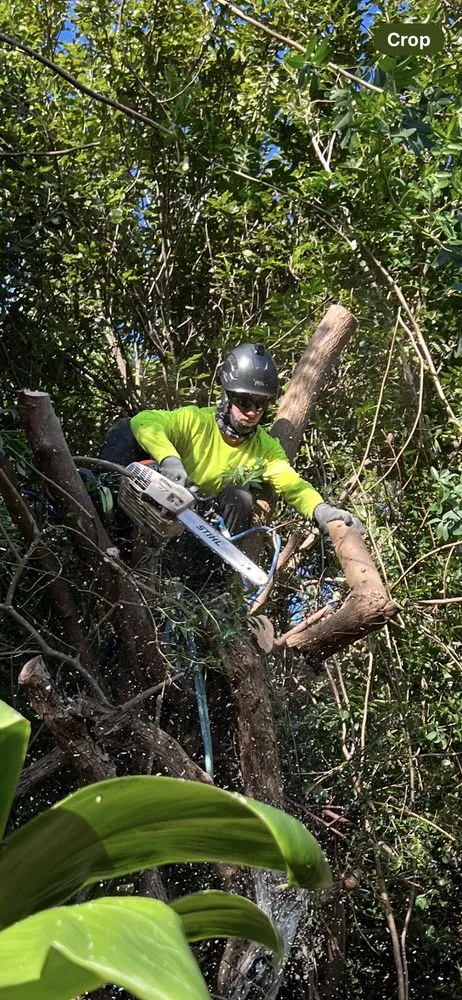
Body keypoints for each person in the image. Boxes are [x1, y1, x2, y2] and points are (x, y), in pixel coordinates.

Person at [100, 342, 363, 541]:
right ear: (227, 397)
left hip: (193, 519)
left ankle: (210, 586)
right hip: (142, 501)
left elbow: (292, 484)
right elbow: (144, 421)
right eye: (244, 402)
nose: (251, 412)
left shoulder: (265, 449)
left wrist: (320, 510)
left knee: (240, 499)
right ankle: (102, 501)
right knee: (125, 430)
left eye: (260, 405)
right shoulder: (195, 420)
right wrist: (169, 459)